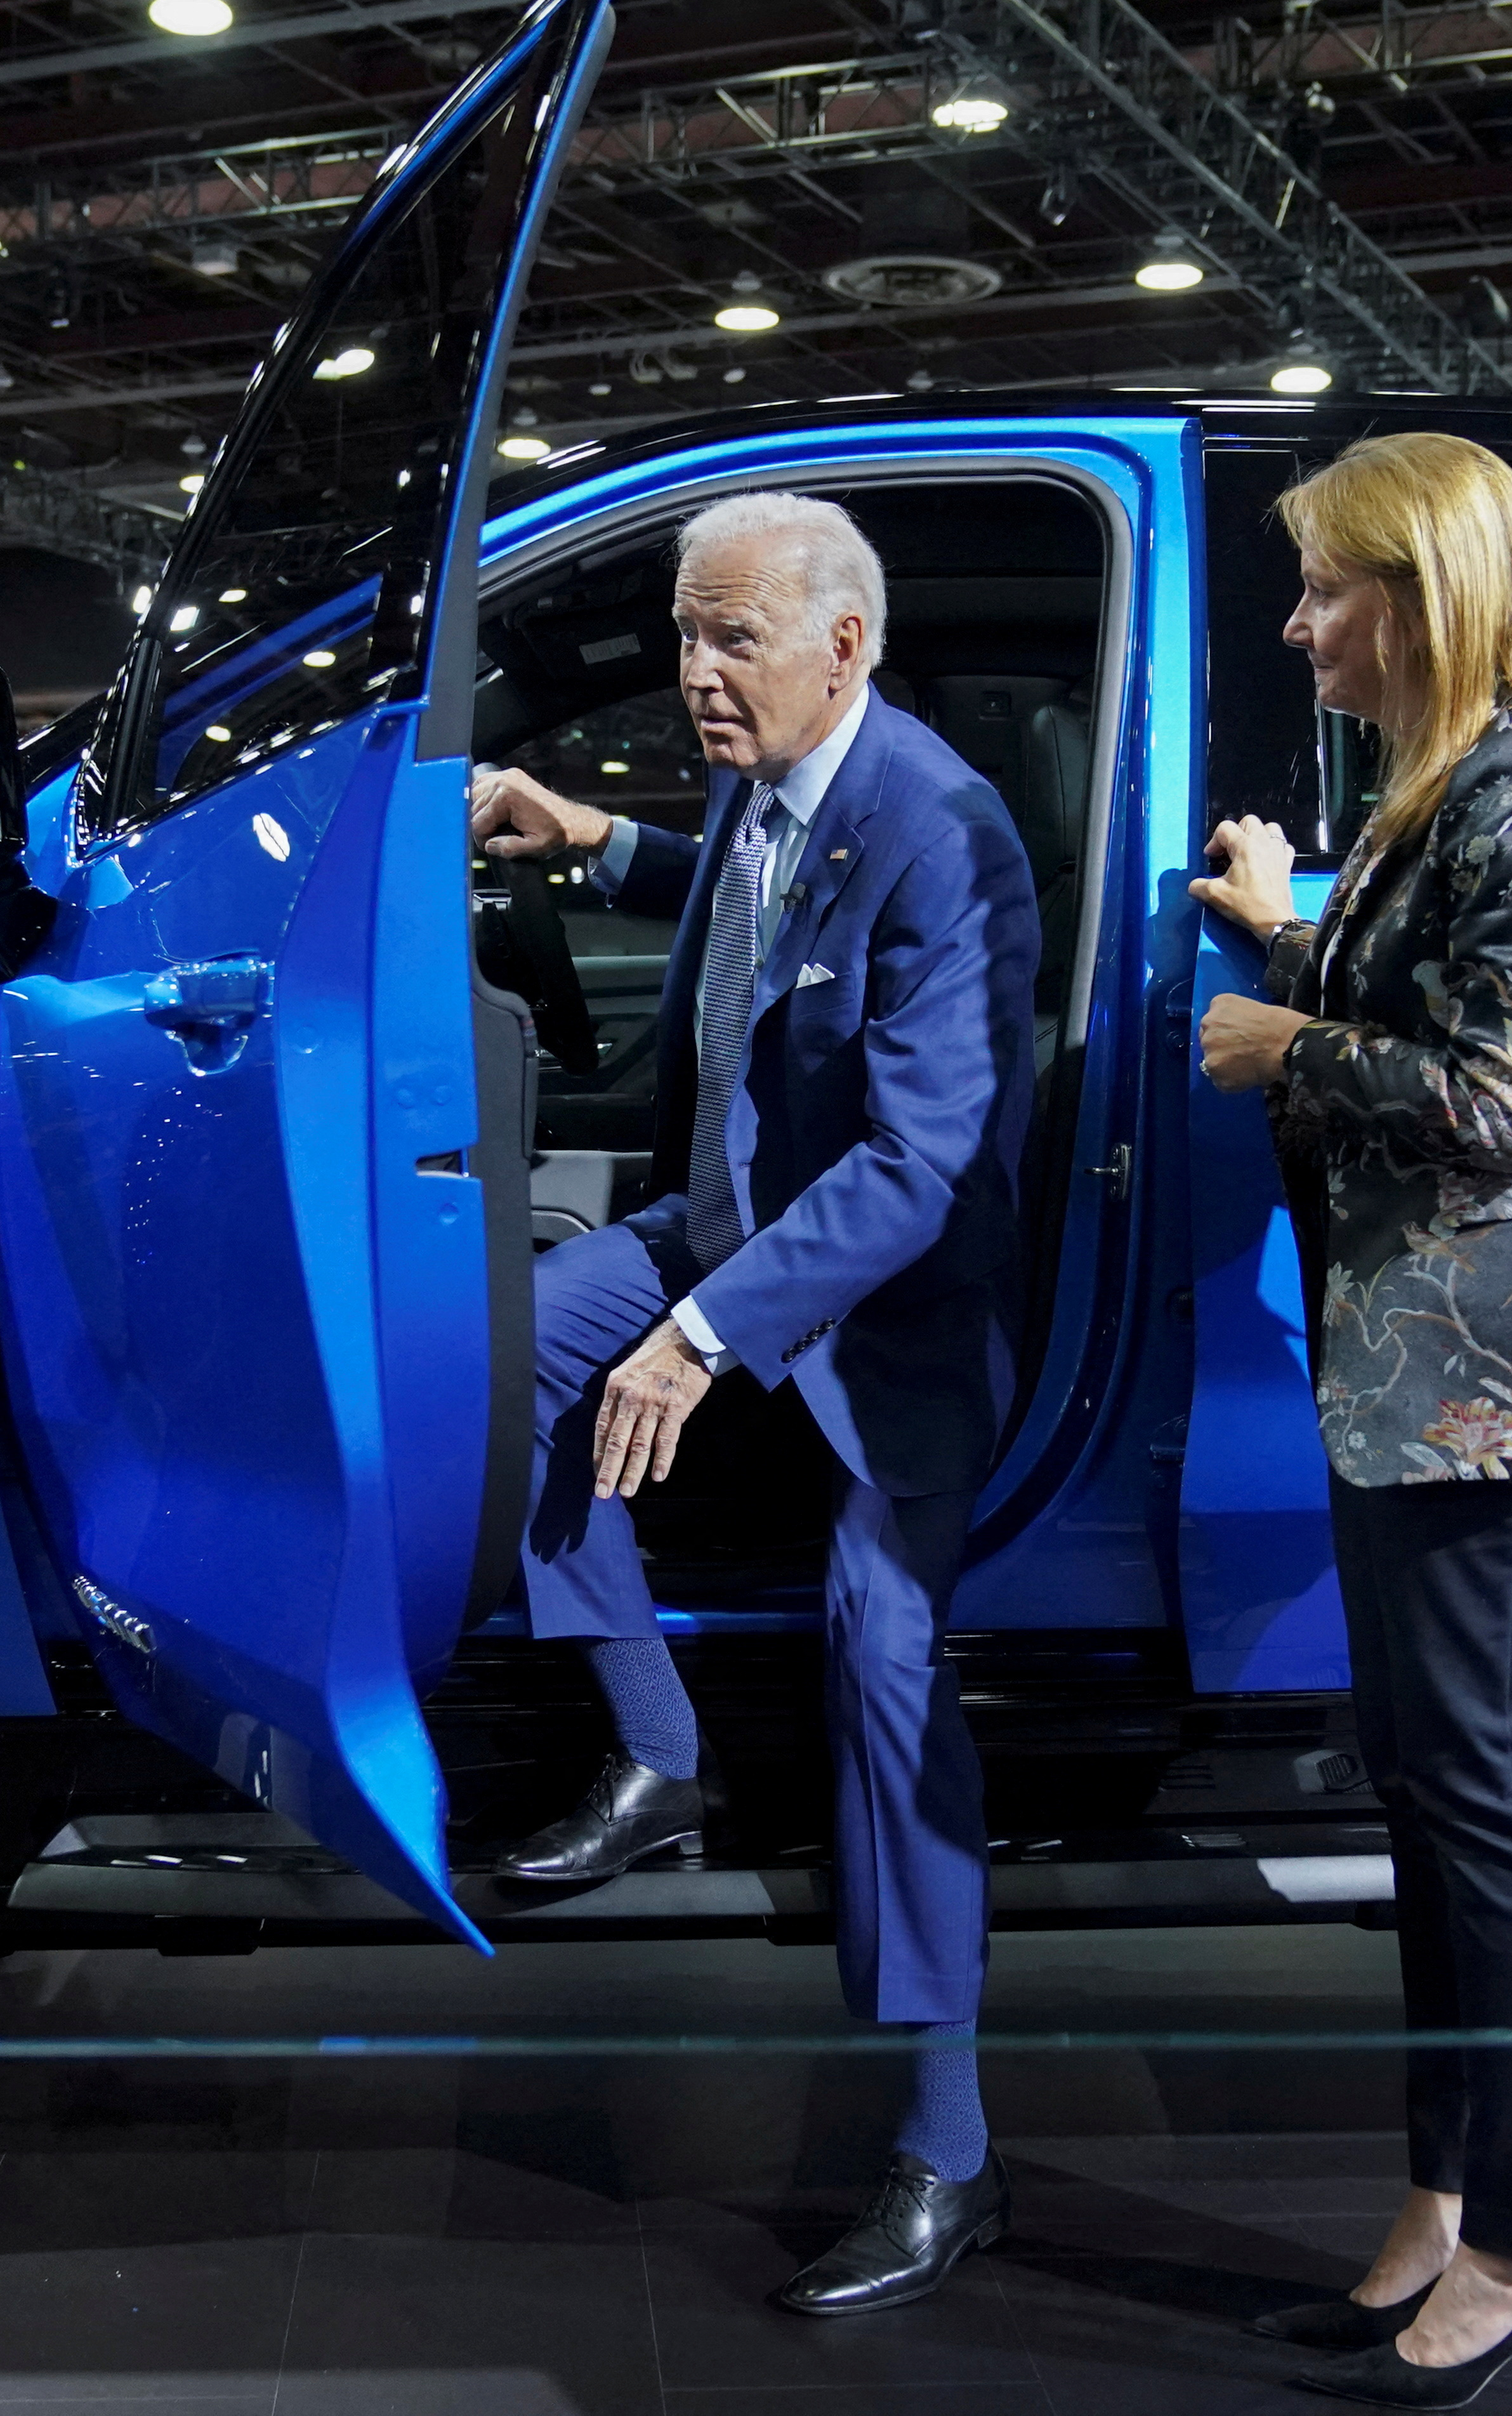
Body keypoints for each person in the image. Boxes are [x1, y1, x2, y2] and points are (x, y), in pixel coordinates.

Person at [466, 491, 1042, 2316]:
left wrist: (700, 1336)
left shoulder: (942, 828)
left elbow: (922, 1163)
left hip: (893, 1317)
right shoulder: (772, 774)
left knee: (883, 1663)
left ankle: (947, 2150)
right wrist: (591, 836)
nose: (694, 672)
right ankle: (660, 1750)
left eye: (732, 638)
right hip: (720, 1223)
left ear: (844, 647)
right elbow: (745, 891)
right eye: (684, 634)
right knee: (509, 1354)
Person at [1187, 432, 1512, 2409]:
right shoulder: (1450, 785)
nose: (1298, 625)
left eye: (1325, 588)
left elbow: (1497, 1097)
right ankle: (1451, 2193)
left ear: (1423, 591)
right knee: (1433, 1787)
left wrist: (1282, 1037)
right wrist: (1286, 932)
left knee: (1486, 1798)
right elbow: (1447, 1003)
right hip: (1417, 1361)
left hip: (1492, 1364)